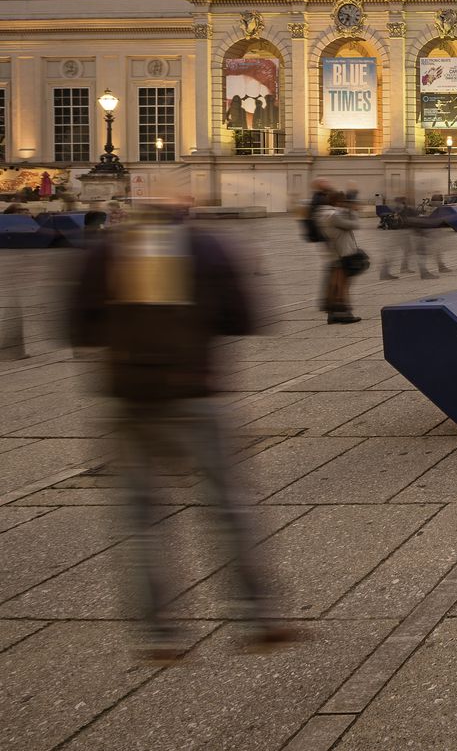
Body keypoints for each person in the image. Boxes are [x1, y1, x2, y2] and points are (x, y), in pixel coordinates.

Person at [67, 202, 297, 660]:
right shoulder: (206, 245)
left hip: (129, 396)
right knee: (227, 506)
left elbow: (77, 327)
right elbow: (243, 318)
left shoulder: (106, 250)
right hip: (194, 391)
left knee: (140, 516)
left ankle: (158, 632)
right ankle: (257, 614)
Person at [317, 190, 364, 323]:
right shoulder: (334, 216)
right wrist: (353, 211)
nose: (345, 204)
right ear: (337, 202)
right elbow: (353, 224)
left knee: (336, 284)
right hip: (342, 253)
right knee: (342, 285)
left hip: (335, 252)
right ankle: (343, 314)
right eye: (343, 202)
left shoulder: (326, 213)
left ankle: (333, 314)